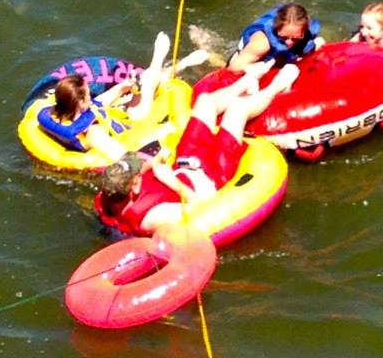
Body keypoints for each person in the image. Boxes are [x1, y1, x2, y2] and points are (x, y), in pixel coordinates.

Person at [99, 63, 300, 235]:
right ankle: (276, 87)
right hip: (212, 175)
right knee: (237, 111)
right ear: (134, 186)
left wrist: (157, 161)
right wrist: (170, 180)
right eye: (137, 175)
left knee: (205, 102)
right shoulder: (153, 217)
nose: (140, 171)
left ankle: (246, 82)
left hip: (186, 163)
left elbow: (139, 169)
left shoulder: (113, 193)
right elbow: (199, 208)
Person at [37, 32, 207, 155]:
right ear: (81, 102)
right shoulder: (92, 134)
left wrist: (124, 86)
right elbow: (125, 156)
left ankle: (181, 63)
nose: (91, 95)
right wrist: (163, 134)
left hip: (114, 116)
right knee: (150, 81)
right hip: (133, 127)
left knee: (143, 80)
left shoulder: (58, 115)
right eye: (89, 94)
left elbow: (98, 104)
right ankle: (161, 57)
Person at [228, 2, 324, 72]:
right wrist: (252, 68)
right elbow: (234, 67)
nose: (289, 43)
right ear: (276, 28)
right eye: (283, 37)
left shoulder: (307, 32)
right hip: (249, 57)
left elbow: (317, 43)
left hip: (279, 55)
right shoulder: (261, 44)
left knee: (320, 42)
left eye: (295, 39)